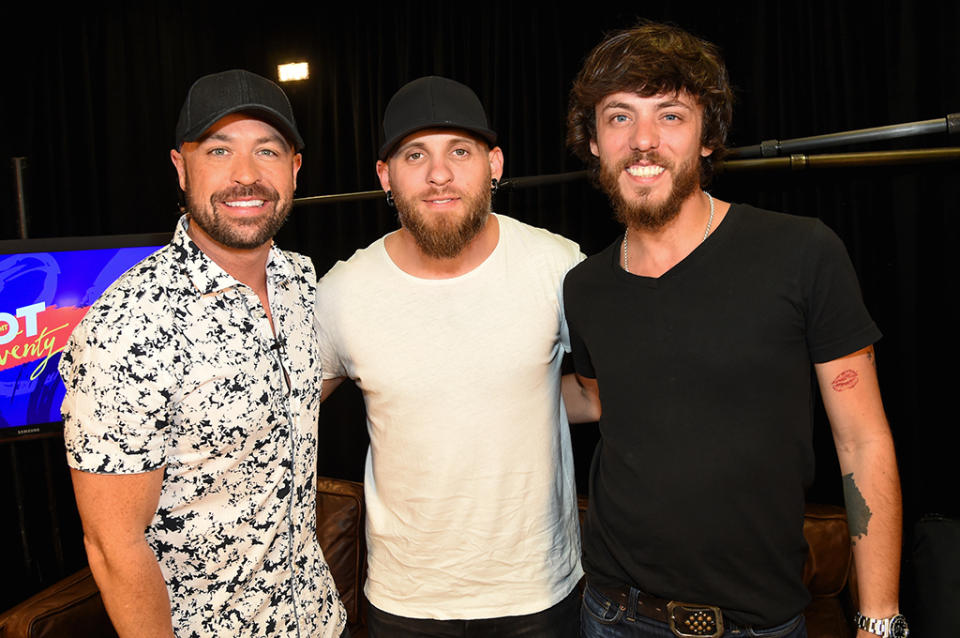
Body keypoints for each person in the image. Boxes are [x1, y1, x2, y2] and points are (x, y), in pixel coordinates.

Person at [563, 22, 907, 638]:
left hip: (758, 623)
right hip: (612, 614)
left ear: (707, 138)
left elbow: (862, 441)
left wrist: (879, 619)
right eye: (619, 117)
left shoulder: (801, 253)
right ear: (593, 141)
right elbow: (596, 397)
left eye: (670, 115)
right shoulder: (585, 286)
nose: (643, 141)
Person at [59, 69, 348, 638]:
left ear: (294, 169)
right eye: (219, 150)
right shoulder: (128, 324)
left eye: (267, 151)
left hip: (319, 619)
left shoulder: (302, 283)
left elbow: (298, 392)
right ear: (179, 166)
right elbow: (114, 546)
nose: (246, 176)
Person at [316, 76, 591, 637]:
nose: (438, 173)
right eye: (415, 155)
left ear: (494, 164)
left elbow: (592, 393)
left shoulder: (557, 267)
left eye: (458, 152)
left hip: (537, 592)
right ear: (384, 176)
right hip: (405, 600)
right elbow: (288, 415)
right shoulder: (342, 291)